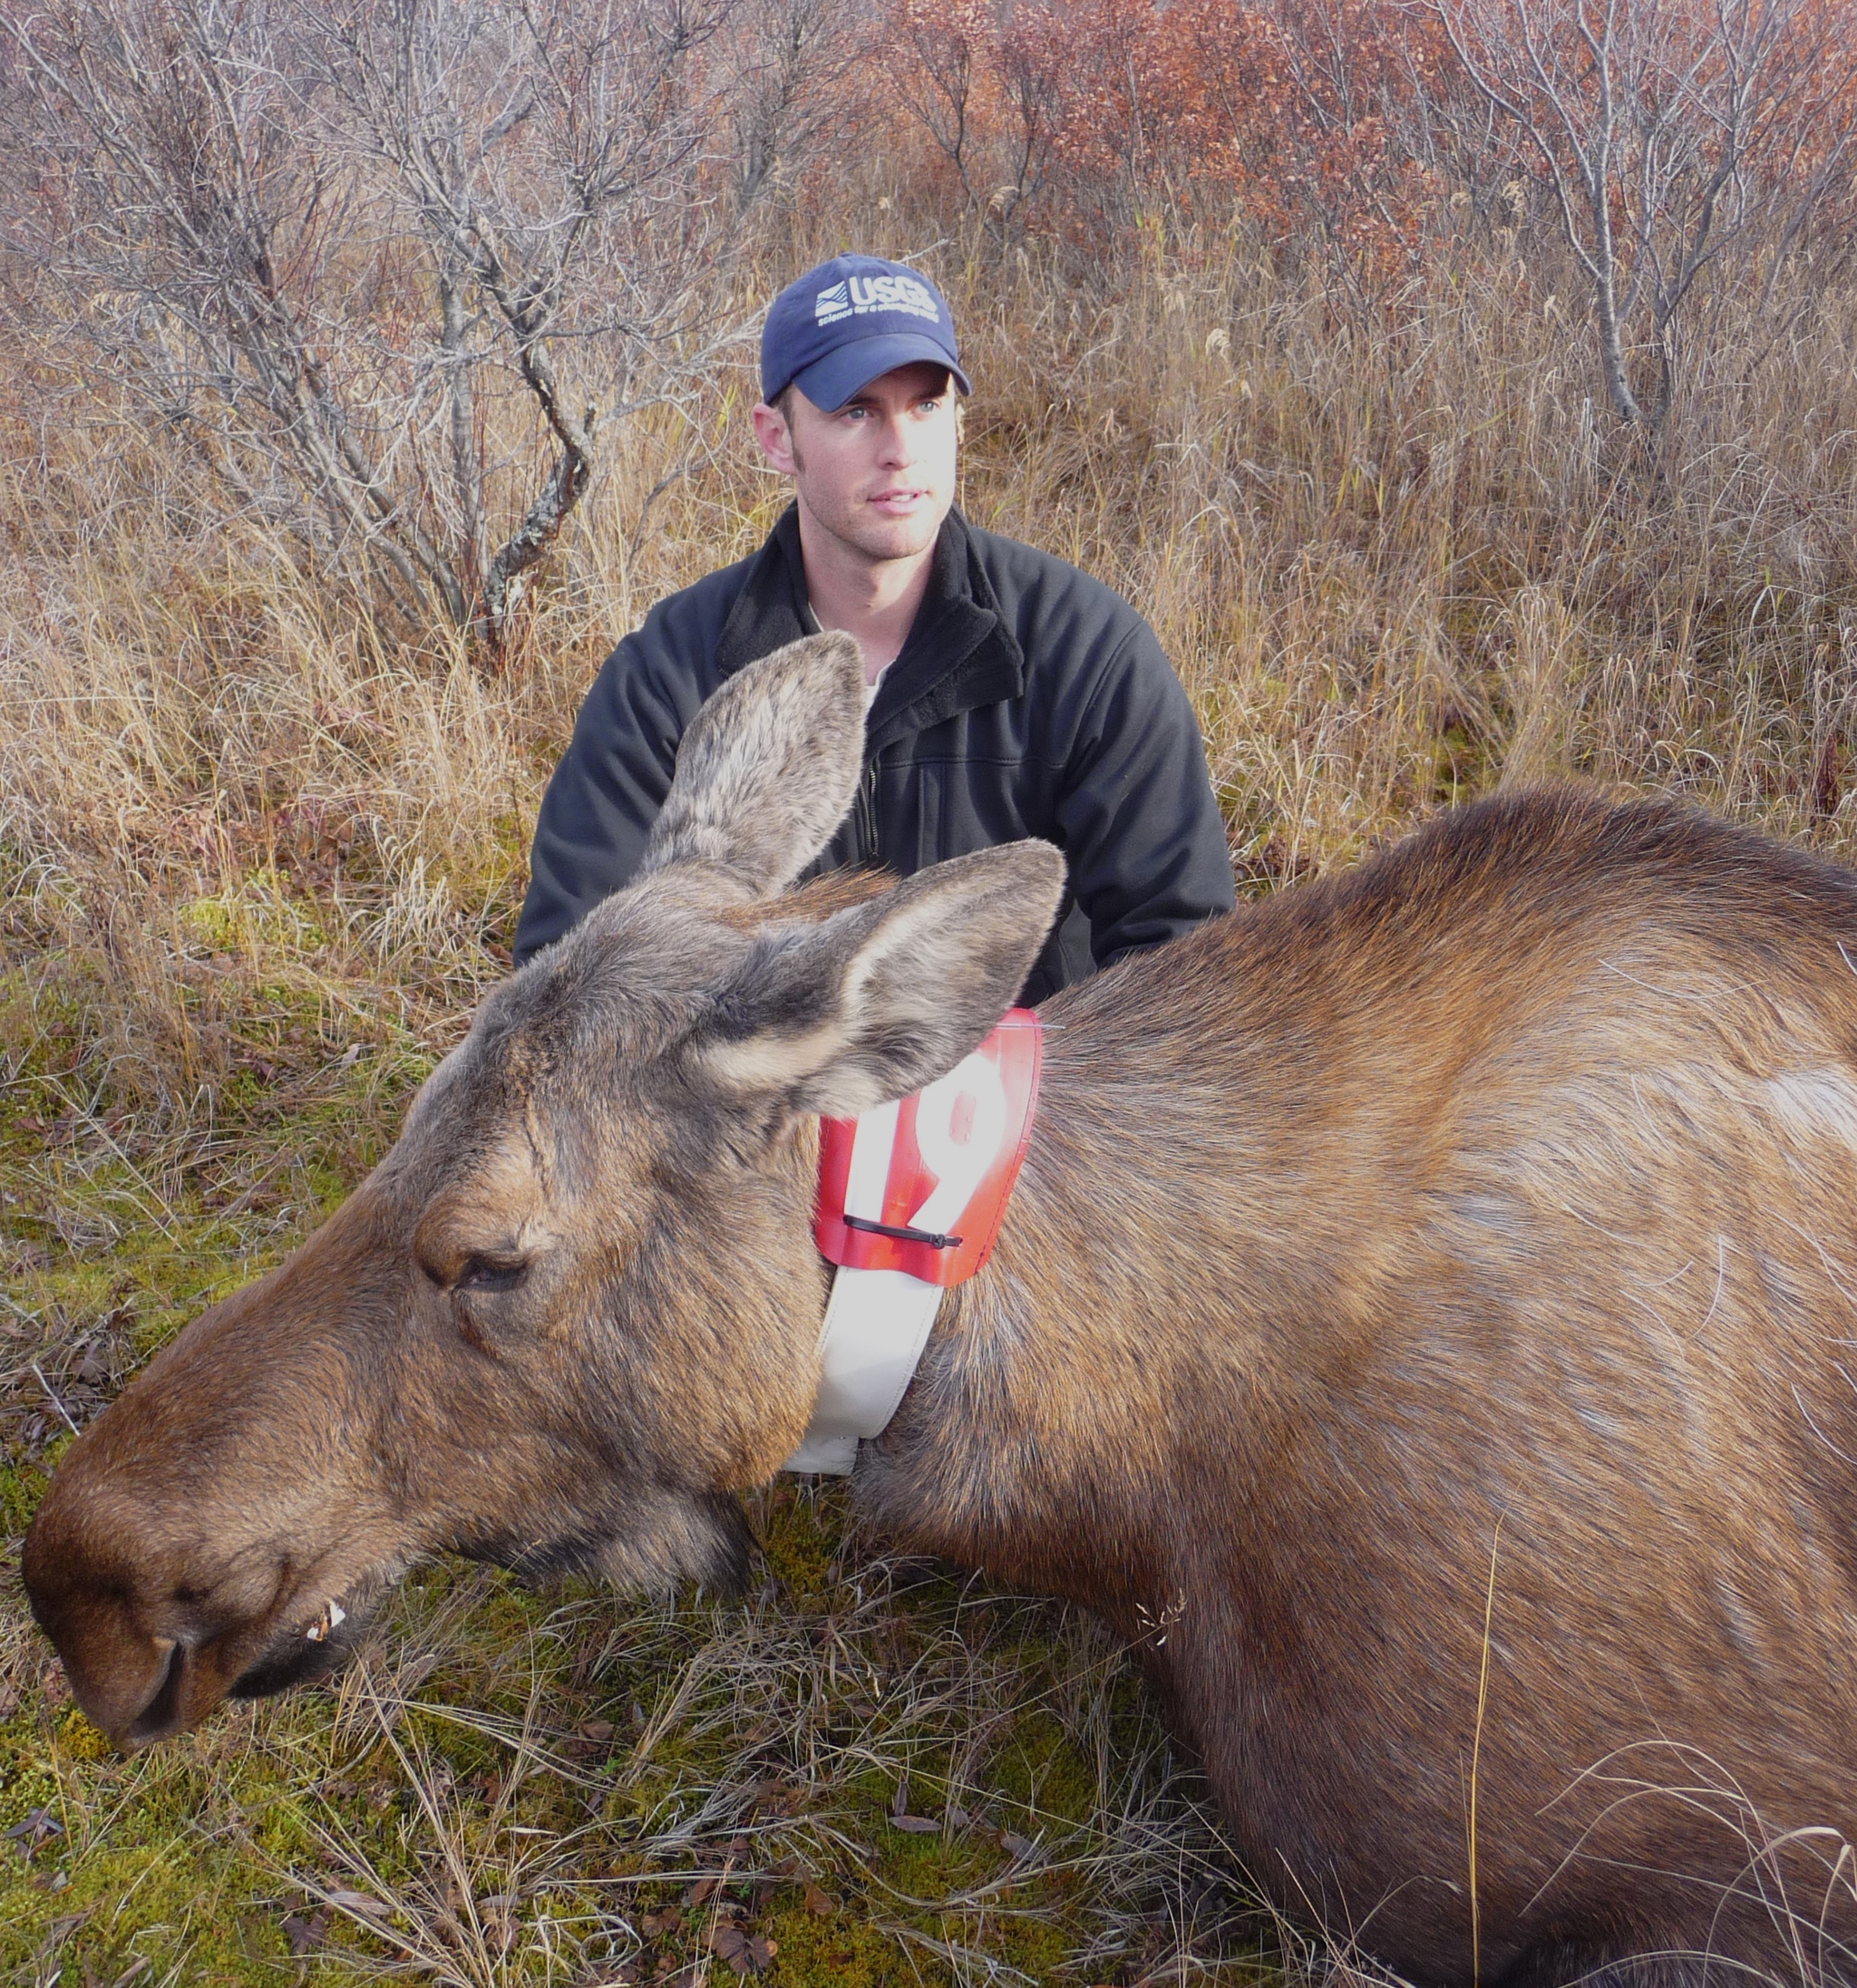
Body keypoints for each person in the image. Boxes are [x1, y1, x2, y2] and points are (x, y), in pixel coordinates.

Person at [514, 253, 1235, 1001]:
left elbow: (1187, 958)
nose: (900, 448)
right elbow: (565, 981)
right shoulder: (666, 680)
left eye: (926, 405)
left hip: (1030, 1102)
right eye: (856, 411)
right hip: (771, 1102)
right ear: (776, 436)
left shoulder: (1085, 652)